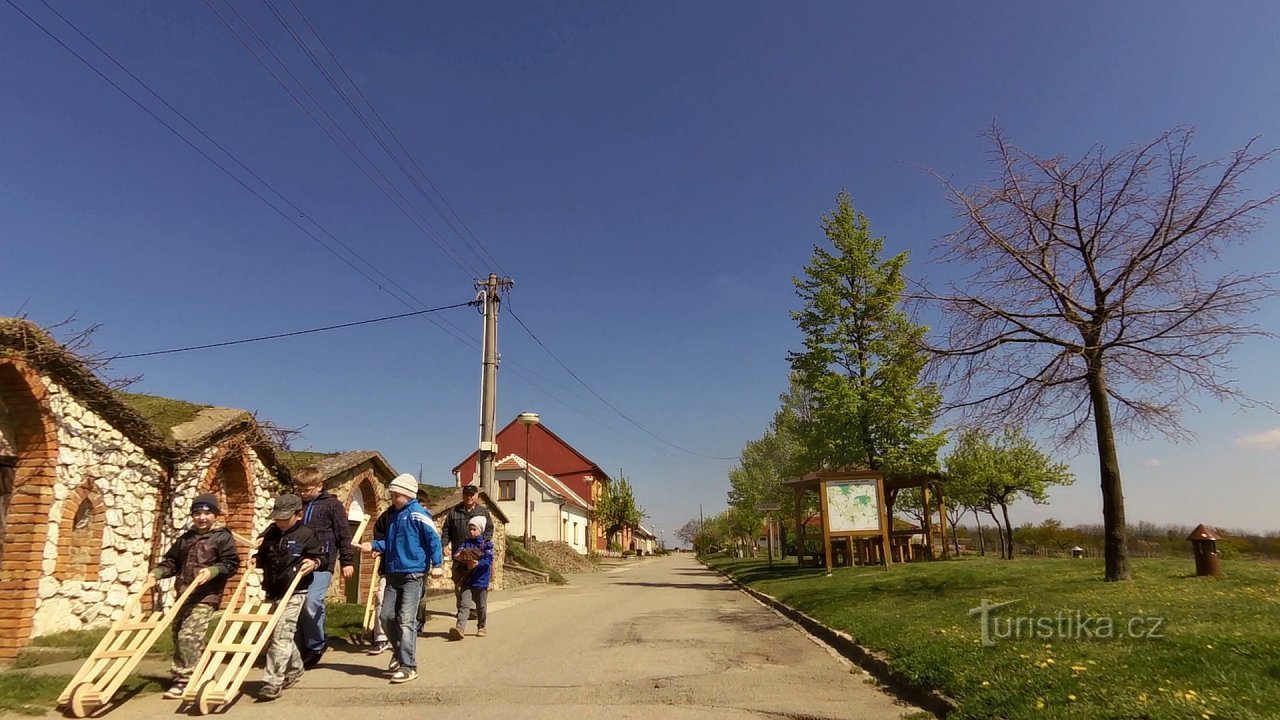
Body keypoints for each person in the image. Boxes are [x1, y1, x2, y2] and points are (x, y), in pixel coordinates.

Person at [152, 494, 240, 699]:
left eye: (207, 513)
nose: (202, 517)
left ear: (215, 515)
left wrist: (212, 571)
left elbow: (231, 564)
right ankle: (204, 670)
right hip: (184, 593)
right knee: (179, 635)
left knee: (188, 635)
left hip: (206, 595)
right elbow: (172, 562)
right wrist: (156, 574)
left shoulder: (221, 537)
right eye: (198, 513)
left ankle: (183, 679)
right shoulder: (186, 538)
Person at [361, 473, 442, 684]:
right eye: (392, 494)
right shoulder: (394, 516)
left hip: (413, 574)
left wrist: (438, 565)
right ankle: (399, 651)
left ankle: (409, 666)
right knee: (386, 617)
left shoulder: (418, 514)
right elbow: (390, 543)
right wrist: (374, 546)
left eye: (396, 495)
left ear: (407, 494)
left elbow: (434, 538)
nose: (393, 498)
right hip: (393, 573)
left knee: (406, 620)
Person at [256, 494, 325, 701]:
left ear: (298, 514)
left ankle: (273, 681)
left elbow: (321, 556)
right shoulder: (270, 533)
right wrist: (255, 559)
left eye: (285, 518)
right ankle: (295, 667)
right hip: (273, 590)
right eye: (277, 518)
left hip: (295, 592)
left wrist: (313, 563)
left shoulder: (307, 534)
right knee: (278, 634)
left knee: (280, 635)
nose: (280, 522)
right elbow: (262, 554)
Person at [293, 467, 354, 668]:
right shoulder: (296, 504)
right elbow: (281, 523)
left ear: (319, 486)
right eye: (300, 488)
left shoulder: (332, 504)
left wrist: (347, 561)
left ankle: (316, 644)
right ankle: (300, 645)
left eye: (307, 489)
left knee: (312, 601)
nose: (303, 492)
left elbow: (343, 533)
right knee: (297, 604)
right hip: (297, 562)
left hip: (323, 562)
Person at [442, 485, 493, 612]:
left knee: (477, 584)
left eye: (472, 495)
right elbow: (446, 530)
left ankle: (476, 610)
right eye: (466, 494)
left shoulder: (483, 512)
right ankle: (463, 611)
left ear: (477, 496)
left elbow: (489, 529)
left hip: (477, 556)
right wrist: (444, 544)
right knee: (459, 583)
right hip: (460, 555)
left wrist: (482, 546)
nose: (469, 497)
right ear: (463, 495)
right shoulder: (454, 512)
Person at [449, 516, 493, 640]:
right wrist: (458, 556)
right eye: (470, 529)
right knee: (464, 605)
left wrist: (478, 564)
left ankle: (481, 627)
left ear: (480, 529)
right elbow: (458, 553)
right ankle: (460, 629)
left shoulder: (486, 545)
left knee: (481, 606)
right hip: (467, 579)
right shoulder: (466, 543)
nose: (471, 532)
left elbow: (488, 560)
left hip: (480, 580)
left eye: (474, 529)